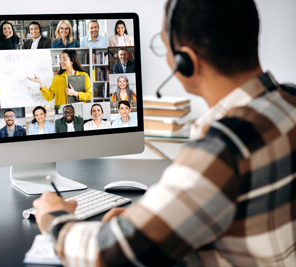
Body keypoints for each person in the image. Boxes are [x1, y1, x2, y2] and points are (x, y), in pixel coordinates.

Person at [32, 0, 296, 266]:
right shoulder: (291, 101)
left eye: (164, 45)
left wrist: (54, 219)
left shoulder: (222, 148)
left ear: (185, 61)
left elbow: (113, 254)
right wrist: (140, 222)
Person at [27, 49, 92, 105]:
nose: (60, 62)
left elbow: (89, 95)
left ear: (72, 61)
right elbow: (49, 97)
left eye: (64, 59)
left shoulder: (84, 75)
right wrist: (41, 82)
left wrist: (75, 93)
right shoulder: (57, 78)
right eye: (60, 59)